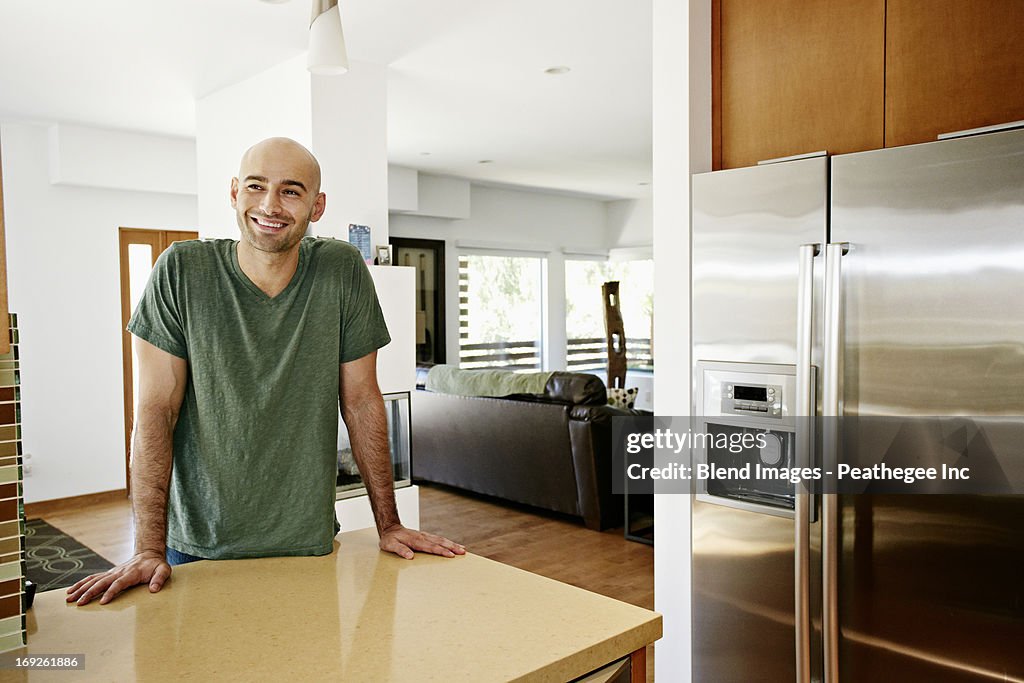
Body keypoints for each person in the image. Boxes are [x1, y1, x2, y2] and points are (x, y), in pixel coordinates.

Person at [67, 138, 464, 606]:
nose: (270, 205)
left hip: (305, 540)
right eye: (256, 186)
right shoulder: (181, 270)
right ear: (234, 192)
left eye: (291, 192)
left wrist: (389, 523)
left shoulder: (340, 270)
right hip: (194, 545)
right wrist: (147, 548)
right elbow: (155, 413)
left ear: (317, 206)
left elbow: (361, 401)